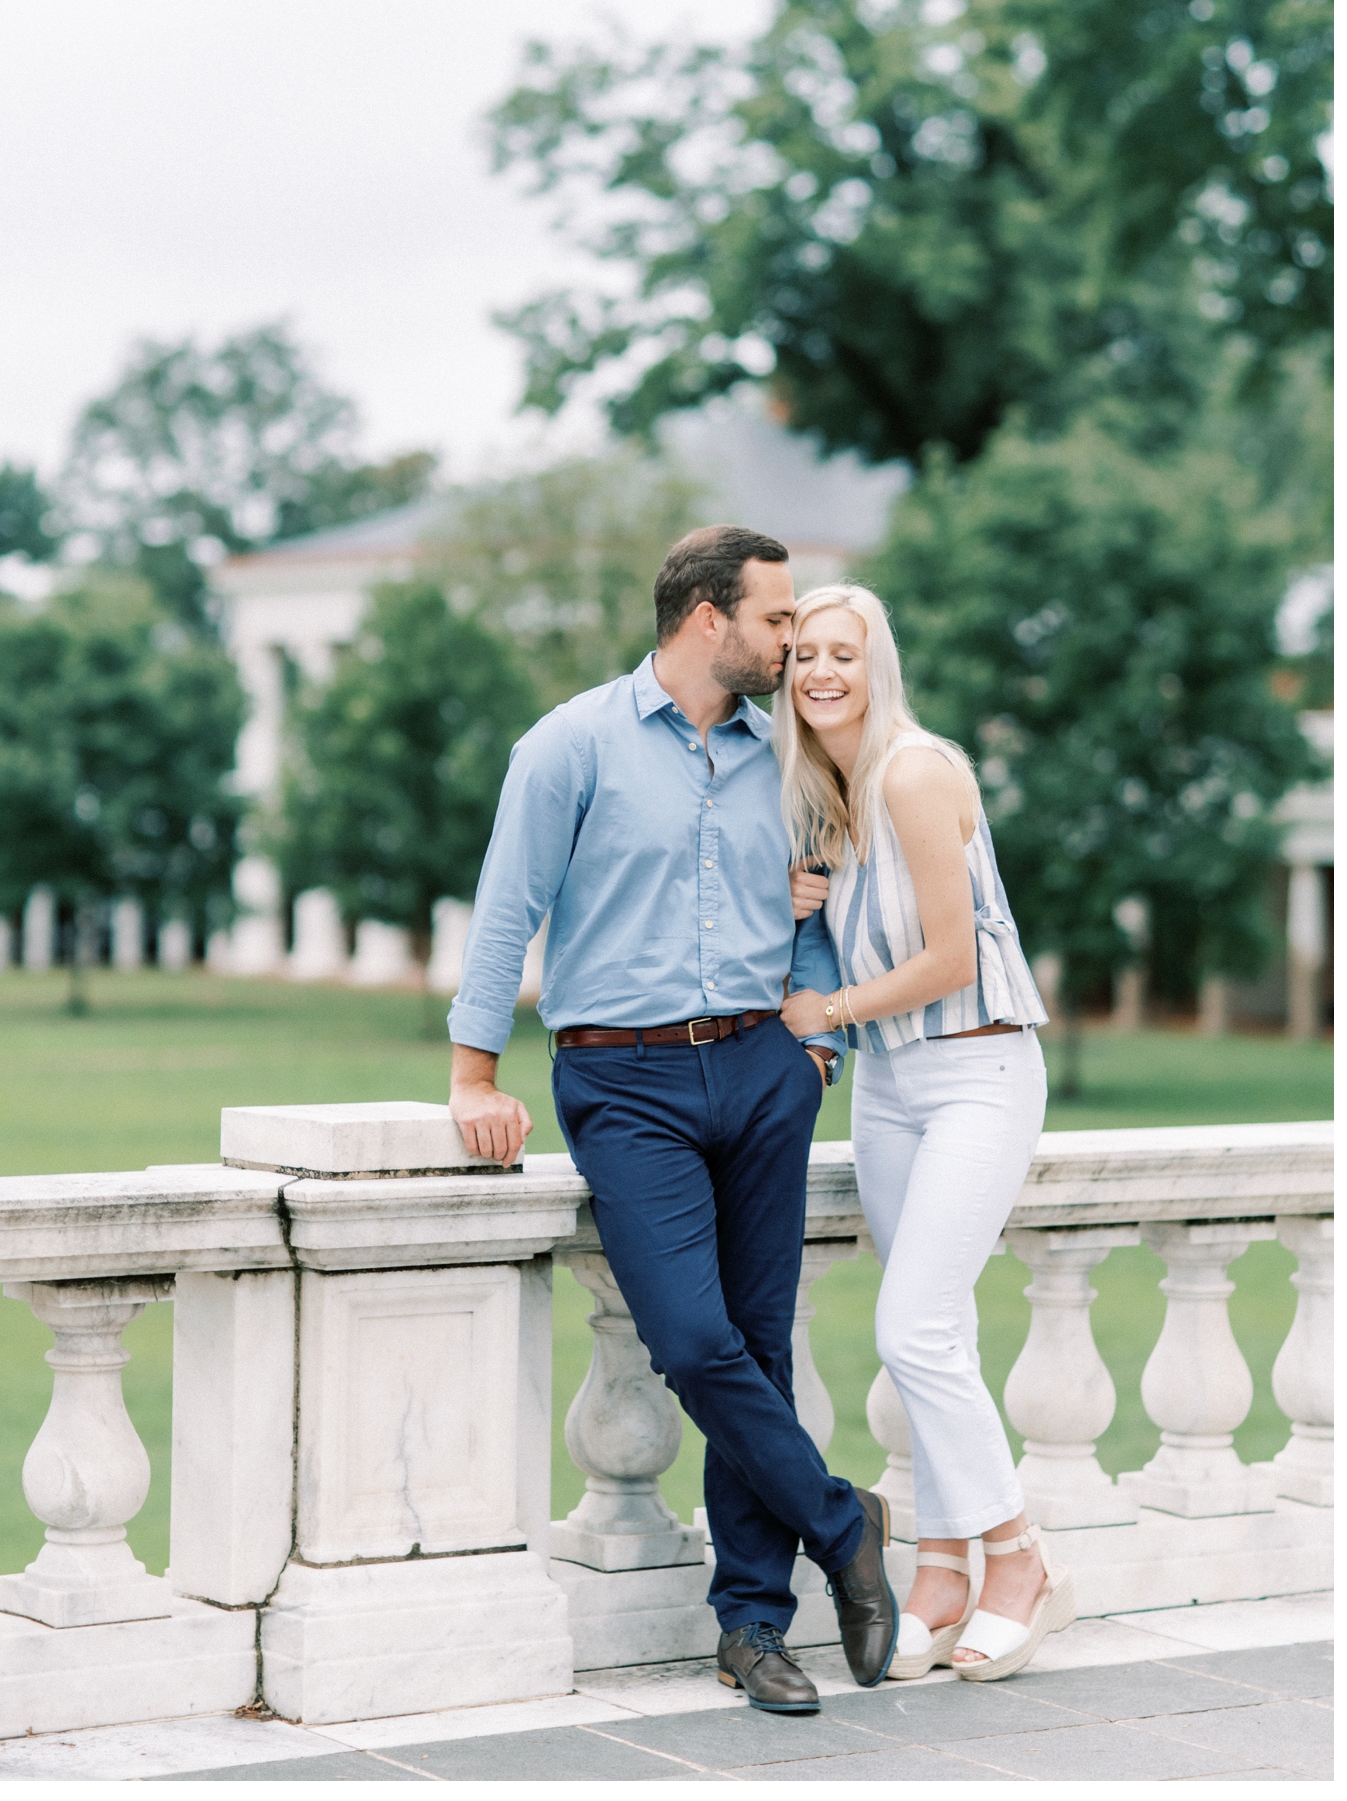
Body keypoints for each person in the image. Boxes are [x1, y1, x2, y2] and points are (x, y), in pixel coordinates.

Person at [447, 527, 898, 1714]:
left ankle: (752, 1627)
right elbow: (507, 912)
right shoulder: (569, 746)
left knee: (757, 1343)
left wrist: (813, 1048)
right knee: (693, 1343)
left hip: (761, 1070)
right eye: (775, 617)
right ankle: (843, 1523)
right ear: (707, 617)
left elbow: (816, 910)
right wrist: (473, 1073)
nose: (792, 637)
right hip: (623, 1083)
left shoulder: (787, 756)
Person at [775, 582, 1074, 1683]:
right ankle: (942, 1565)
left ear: (877, 662)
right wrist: (806, 903)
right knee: (938, 1332)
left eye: (843, 653)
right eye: (803, 653)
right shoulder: (831, 793)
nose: (821, 673)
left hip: (977, 1072)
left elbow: (950, 958)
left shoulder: (911, 770)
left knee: (911, 1331)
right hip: (891, 1088)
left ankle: (1018, 1557)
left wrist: (833, 1012)